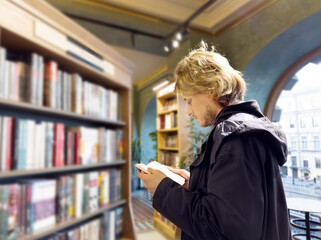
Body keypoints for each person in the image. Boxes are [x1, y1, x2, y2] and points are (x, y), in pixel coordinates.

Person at [137, 41, 291, 240]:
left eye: (189, 100)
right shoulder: (242, 130)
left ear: (209, 87)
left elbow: (220, 229)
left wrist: (162, 189)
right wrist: (196, 183)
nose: (190, 112)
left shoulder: (235, 137)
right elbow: (241, 205)